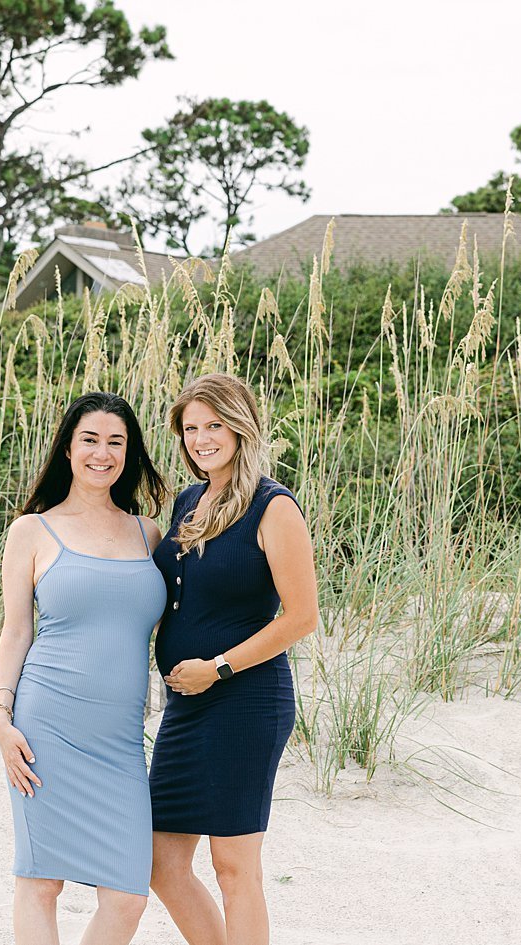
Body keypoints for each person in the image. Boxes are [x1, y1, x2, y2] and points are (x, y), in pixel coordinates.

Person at [0, 392, 168, 945]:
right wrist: (0, 714)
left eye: (116, 442)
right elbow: (16, 629)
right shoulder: (32, 531)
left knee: (128, 895)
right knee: (42, 882)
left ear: (129, 453)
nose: (102, 452)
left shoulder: (149, 533)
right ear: (68, 448)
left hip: (119, 740)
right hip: (46, 726)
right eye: (90, 439)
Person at [148, 373, 319, 945]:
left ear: (240, 427)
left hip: (244, 701)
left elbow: (300, 617)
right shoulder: (189, 500)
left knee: (234, 867)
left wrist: (217, 667)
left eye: (214, 425)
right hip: (185, 706)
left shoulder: (274, 506)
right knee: (161, 863)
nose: (201, 439)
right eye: (191, 428)